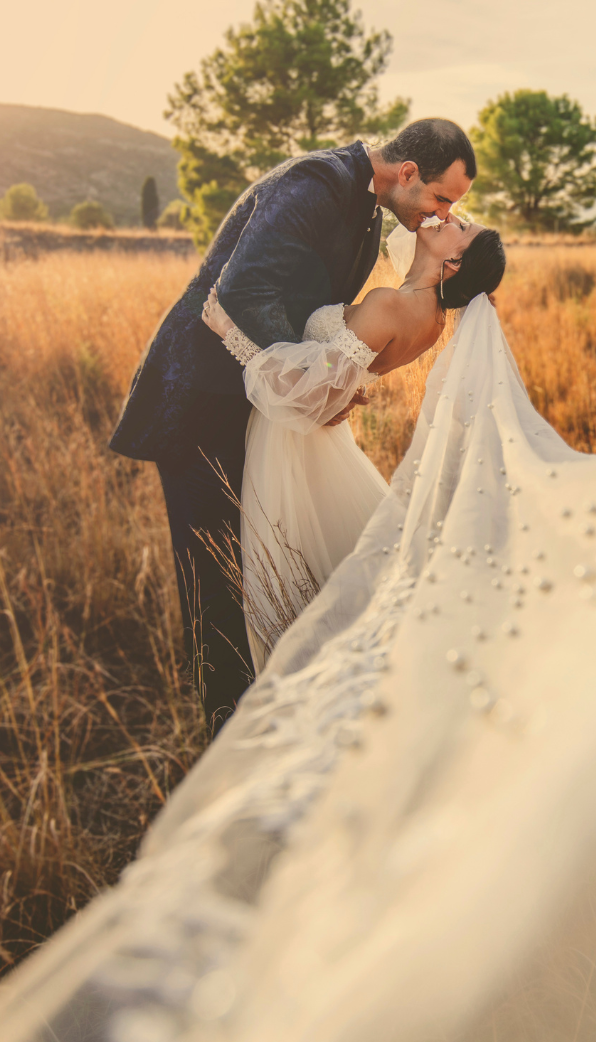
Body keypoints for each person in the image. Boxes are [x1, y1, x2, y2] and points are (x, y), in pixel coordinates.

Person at [106, 118, 478, 736]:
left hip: (253, 403)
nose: (442, 215)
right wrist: (307, 389)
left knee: (256, 571)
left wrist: (322, 385)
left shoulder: (369, 205)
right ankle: (225, 740)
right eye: (442, 198)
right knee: (216, 583)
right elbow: (245, 292)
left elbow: (308, 308)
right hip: (199, 399)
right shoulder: (315, 183)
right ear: (408, 173)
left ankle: (269, 721)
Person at [202, 214, 507, 671]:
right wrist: (349, 389)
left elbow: (310, 387)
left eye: (461, 226)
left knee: (300, 579)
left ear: (455, 262)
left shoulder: (389, 305)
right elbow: (351, 370)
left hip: (293, 442)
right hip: (324, 436)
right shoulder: (431, 320)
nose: (448, 217)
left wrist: (232, 335)